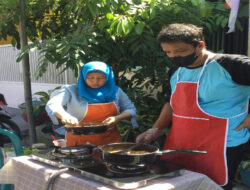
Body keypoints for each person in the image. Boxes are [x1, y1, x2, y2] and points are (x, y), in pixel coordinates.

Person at [136, 23, 250, 189]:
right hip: (181, 142)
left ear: (200, 45)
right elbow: (172, 103)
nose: (174, 56)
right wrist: (155, 129)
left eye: (180, 51)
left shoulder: (232, 65)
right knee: (179, 184)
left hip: (222, 142)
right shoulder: (176, 70)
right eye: (168, 52)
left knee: (213, 186)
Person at [46, 61, 137, 147]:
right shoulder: (71, 90)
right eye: (90, 78)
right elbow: (53, 104)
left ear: (108, 77)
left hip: (109, 141)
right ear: (83, 76)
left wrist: (117, 118)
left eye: (101, 78)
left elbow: (131, 109)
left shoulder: (116, 91)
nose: (95, 81)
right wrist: (64, 115)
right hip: (79, 142)